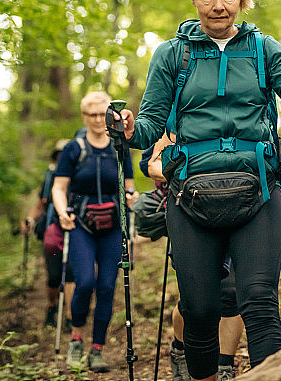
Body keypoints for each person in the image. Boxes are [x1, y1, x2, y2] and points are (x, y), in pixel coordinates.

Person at [118, 0, 281, 381]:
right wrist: (130, 129)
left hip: (258, 192)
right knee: (200, 309)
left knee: (259, 302)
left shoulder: (264, 49)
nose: (218, 6)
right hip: (190, 197)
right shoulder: (172, 54)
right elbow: (149, 125)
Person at [142, 134, 244, 381]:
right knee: (196, 299)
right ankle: (180, 348)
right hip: (190, 211)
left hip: (237, 205)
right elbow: (149, 164)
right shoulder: (174, 122)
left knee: (231, 293)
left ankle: (225, 366)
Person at [50, 91, 138, 373]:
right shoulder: (73, 149)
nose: (99, 120)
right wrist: (62, 212)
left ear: (111, 115)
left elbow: (128, 185)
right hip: (81, 226)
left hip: (113, 226)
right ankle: (76, 338)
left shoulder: (119, 147)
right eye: (93, 115)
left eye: (103, 114)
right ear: (84, 117)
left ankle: (97, 349)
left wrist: (132, 197)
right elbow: (59, 187)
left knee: (107, 287)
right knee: (85, 281)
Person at [21, 141, 75, 329]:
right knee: (53, 275)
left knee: (71, 273)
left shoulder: (81, 174)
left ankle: (69, 316)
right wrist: (29, 219)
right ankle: (52, 307)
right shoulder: (49, 178)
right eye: (59, 155)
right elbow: (40, 205)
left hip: (75, 227)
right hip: (52, 229)